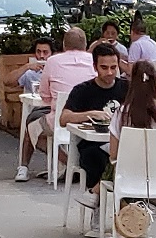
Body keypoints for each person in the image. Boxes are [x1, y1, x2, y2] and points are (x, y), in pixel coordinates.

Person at [19, 27, 96, 184]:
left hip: (61, 120)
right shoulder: (94, 61)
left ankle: (27, 167)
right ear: (85, 44)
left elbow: (44, 95)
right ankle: (72, 164)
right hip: (89, 120)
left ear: (64, 44)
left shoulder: (53, 62)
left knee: (31, 127)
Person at [62, 41, 126, 211]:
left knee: (128, 159)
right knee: (96, 157)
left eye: (113, 67)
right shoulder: (83, 90)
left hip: (121, 145)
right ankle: (106, 208)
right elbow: (64, 118)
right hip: (92, 144)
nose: (110, 72)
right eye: (104, 67)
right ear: (95, 67)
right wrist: (90, 114)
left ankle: (96, 195)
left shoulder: (126, 88)